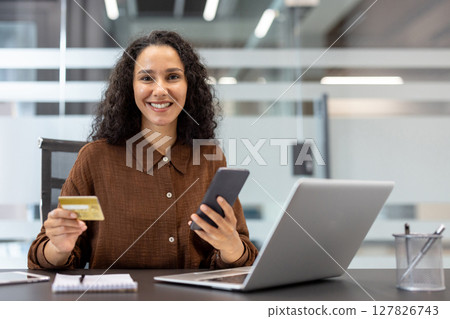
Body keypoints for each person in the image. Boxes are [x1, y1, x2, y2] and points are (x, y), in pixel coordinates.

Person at [28, 30, 258, 269]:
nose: (160, 90)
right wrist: (58, 248)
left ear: (189, 86)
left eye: (172, 77)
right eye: (147, 78)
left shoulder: (210, 158)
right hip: (117, 302)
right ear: (131, 87)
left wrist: (231, 247)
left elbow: (240, 257)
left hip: (191, 302)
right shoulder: (95, 159)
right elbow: (44, 258)